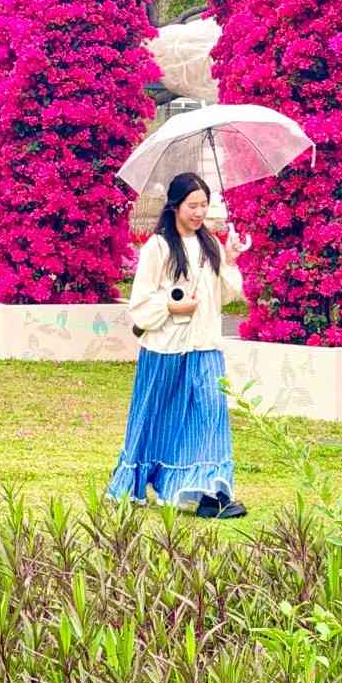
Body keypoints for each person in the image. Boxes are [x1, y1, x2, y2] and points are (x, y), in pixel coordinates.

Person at [109, 172, 250, 519]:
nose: (199, 212)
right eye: (193, 205)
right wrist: (172, 306)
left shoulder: (210, 245)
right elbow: (139, 304)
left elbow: (227, 295)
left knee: (211, 415)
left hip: (205, 348)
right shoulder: (157, 247)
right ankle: (138, 481)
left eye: (204, 205)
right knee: (156, 419)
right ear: (175, 206)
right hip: (166, 349)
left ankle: (211, 492)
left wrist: (229, 259)